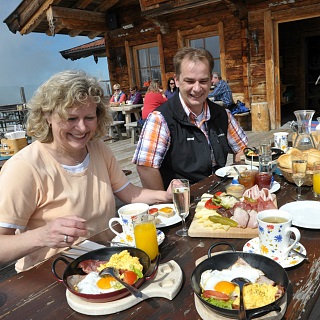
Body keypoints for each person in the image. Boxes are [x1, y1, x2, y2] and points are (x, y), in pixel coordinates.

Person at [0, 70, 172, 272]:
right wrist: (42, 235)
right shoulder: (24, 167)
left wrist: (167, 195)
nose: (81, 128)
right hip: (54, 276)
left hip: (108, 264)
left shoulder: (98, 148)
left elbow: (129, 193)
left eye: (89, 117)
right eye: (71, 118)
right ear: (47, 116)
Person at [132, 47, 248, 190]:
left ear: (211, 79)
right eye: (190, 81)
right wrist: (165, 203)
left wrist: (242, 180)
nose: (197, 88)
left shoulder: (222, 114)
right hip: (184, 200)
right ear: (177, 80)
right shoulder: (160, 119)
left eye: (203, 81)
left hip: (219, 192)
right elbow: (146, 168)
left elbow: (242, 150)